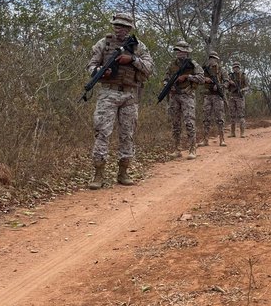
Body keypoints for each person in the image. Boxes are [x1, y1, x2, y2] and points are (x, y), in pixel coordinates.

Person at [86, 13, 154, 189]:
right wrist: (100, 71)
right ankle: (98, 174)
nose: (121, 29)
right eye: (117, 26)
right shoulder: (103, 44)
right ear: (113, 27)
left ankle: (123, 172)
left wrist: (132, 59)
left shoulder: (139, 47)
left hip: (130, 94)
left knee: (127, 134)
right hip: (108, 93)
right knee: (102, 132)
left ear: (130, 29)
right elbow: (91, 66)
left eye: (125, 27)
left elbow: (149, 68)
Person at [163, 40, 205, 159]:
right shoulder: (172, 64)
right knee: (175, 124)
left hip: (187, 95)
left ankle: (192, 149)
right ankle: (177, 149)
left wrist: (187, 76)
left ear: (187, 52)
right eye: (177, 50)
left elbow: (202, 79)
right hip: (174, 96)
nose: (179, 53)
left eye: (182, 51)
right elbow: (165, 78)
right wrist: (168, 85)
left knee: (189, 122)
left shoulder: (193, 64)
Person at [200, 51, 228, 147]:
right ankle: (205, 140)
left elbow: (227, 82)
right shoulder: (205, 70)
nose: (212, 59)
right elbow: (199, 79)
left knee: (220, 118)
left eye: (214, 58)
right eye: (211, 58)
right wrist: (205, 79)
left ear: (217, 59)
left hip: (217, 96)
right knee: (206, 118)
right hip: (207, 96)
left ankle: (222, 139)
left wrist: (220, 86)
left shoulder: (221, 70)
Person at [227, 61, 248, 138]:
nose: (236, 68)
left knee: (241, 115)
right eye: (234, 67)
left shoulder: (243, 76)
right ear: (233, 68)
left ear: (239, 67)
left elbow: (247, 86)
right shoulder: (230, 76)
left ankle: (242, 133)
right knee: (232, 115)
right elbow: (226, 85)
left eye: (237, 67)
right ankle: (232, 133)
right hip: (232, 96)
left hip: (240, 97)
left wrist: (242, 90)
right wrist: (230, 82)